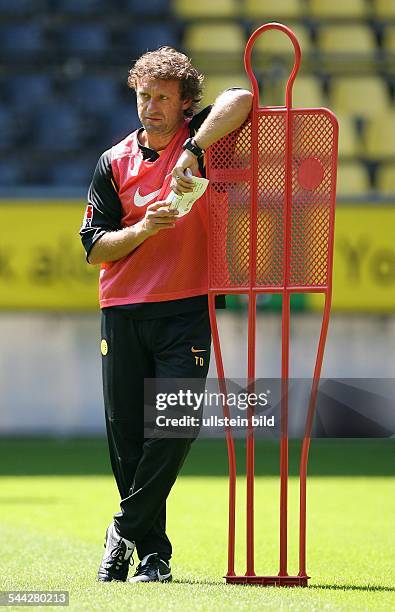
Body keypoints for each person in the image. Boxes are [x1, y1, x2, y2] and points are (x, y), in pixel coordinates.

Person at [80, 46, 252, 584]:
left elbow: (244, 98)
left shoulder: (200, 140)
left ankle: (121, 531)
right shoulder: (112, 161)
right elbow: (93, 247)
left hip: (187, 307)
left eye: (162, 97)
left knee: (174, 427)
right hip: (123, 309)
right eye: (143, 96)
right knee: (128, 439)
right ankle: (153, 555)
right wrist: (142, 229)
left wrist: (193, 151)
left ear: (185, 105)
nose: (150, 106)